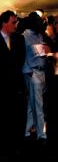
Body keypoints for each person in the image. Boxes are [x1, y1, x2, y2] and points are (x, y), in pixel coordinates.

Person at [22, 12, 50, 142]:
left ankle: (27, 131)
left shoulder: (39, 34)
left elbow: (44, 50)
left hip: (40, 72)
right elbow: (21, 57)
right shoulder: (25, 36)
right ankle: (41, 134)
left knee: (32, 104)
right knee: (38, 105)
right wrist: (28, 72)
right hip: (33, 73)